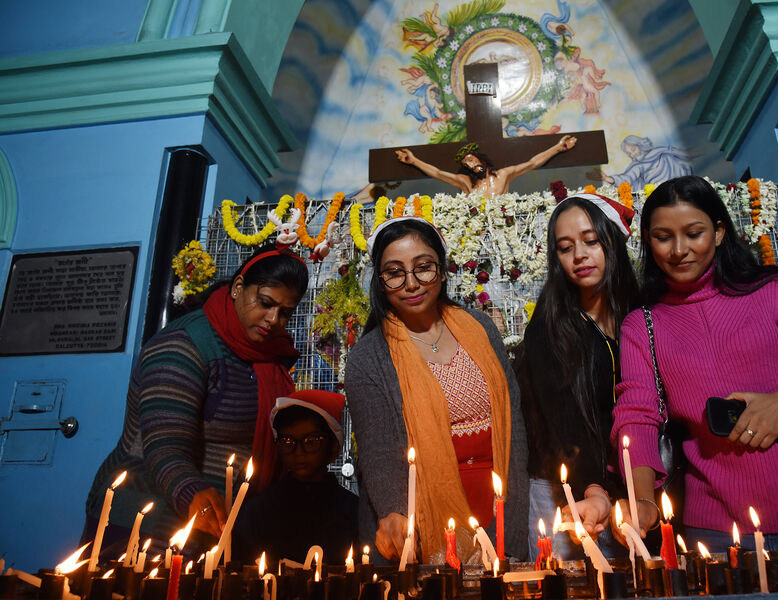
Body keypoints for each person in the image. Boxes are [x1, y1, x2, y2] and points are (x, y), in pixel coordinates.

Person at [611, 175, 778, 568]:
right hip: (719, 529)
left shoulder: (773, 291)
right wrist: (642, 499)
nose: (679, 250)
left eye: (694, 233)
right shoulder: (642, 324)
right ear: (648, 241)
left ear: (718, 232)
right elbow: (637, 416)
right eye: (663, 237)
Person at [82, 245, 308, 557]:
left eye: (285, 312)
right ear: (238, 288)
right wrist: (193, 494)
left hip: (217, 524)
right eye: (265, 303)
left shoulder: (266, 354)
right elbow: (164, 448)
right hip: (148, 519)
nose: (273, 319)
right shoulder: (183, 346)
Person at [344, 217, 528, 564]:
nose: (411, 283)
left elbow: (512, 418)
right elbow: (378, 449)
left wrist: (513, 510)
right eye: (395, 272)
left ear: (442, 272)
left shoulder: (480, 327)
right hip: (421, 503)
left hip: (496, 498)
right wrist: (394, 509)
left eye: (423, 268)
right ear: (381, 283)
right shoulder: (368, 358)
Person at [515, 193, 639, 560]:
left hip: (631, 485)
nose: (579, 255)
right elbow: (562, 420)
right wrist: (592, 488)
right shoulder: (548, 327)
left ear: (612, 241)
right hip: (565, 487)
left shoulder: (641, 315)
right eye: (565, 247)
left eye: (591, 241)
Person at [232, 390, 358, 563]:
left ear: (333, 448)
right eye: (287, 442)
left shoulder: (351, 510)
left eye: (311, 442)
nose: (298, 453)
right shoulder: (260, 509)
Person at [394, 135, 577, 197]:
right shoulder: (466, 182)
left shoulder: (504, 175)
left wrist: (558, 148)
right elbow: (438, 173)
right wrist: (414, 160)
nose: (471, 165)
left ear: (480, 158)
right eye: (467, 164)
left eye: (472, 159)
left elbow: (532, 163)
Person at [588, 135, 692, 188]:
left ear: (640, 145)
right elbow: (627, 178)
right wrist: (608, 179)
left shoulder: (663, 153)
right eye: (629, 154)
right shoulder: (637, 166)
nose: (632, 155)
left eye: (633, 150)